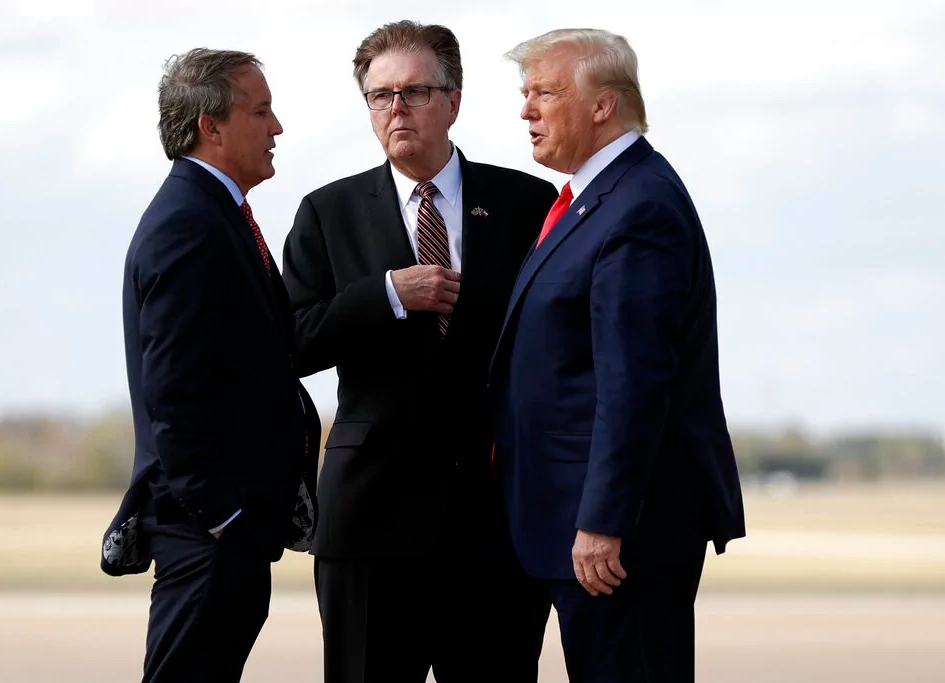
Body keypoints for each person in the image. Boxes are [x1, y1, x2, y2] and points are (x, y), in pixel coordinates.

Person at [281, 20, 557, 683]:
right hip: (369, 525)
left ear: (453, 100)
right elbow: (286, 342)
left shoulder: (526, 203)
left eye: (413, 91)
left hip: (495, 525)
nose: (395, 108)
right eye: (380, 96)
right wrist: (386, 295)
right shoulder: (328, 211)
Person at [488, 29, 746, 683]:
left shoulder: (637, 207)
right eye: (526, 95)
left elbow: (633, 383)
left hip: (616, 541)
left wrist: (603, 521)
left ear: (603, 105)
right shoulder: (593, 201)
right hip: (575, 529)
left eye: (544, 93)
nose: (526, 110)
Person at [101, 48, 320, 683]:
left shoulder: (213, 214)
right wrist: (223, 518)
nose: (276, 127)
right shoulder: (190, 225)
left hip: (225, 532)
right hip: (208, 535)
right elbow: (173, 396)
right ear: (211, 126)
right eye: (262, 111)